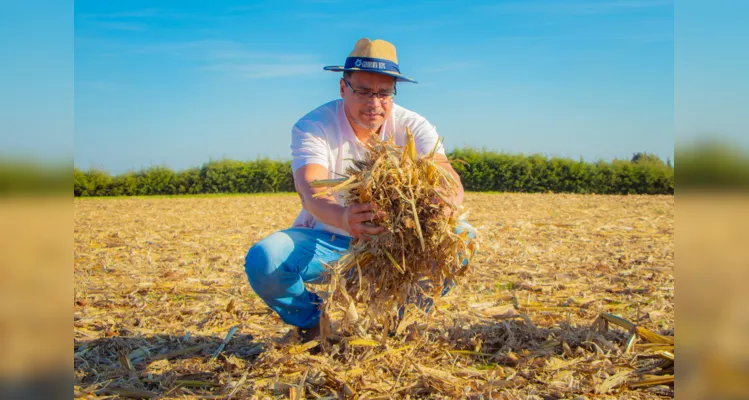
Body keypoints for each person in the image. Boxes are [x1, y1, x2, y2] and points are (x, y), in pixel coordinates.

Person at [243, 38, 475, 342]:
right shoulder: (314, 126)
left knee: (462, 238)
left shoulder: (412, 125)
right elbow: (310, 188)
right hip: (330, 241)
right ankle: (314, 322)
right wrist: (343, 217)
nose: (374, 103)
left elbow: (447, 174)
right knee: (266, 259)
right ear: (342, 87)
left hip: (398, 247)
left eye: (384, 93)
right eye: (363, 91)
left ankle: (406, 321)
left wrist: (445, 201)